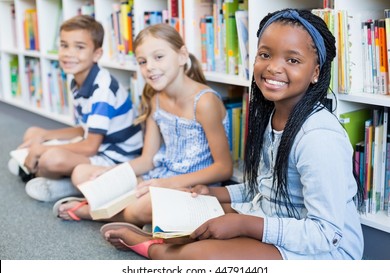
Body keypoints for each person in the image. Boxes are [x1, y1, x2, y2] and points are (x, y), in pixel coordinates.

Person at [100, 9, 365, 260]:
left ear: (316, 72)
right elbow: (265, 189)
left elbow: (326, 234)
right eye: (265, 55)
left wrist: (243, 224)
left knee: (201, 257)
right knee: (196, 221)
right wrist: (214, 194)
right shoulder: (274, 115)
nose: (273, 67)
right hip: (273, 217)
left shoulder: (319, 138)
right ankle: (165, 242)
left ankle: (154, 249)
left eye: (292, 60)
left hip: (324, 251)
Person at [54, 24, 233, 225]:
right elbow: (147, 159)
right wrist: (114, 173)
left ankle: (88, 211)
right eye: (142, 61)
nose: (149, 67)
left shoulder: (205, 102)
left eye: (159, 57)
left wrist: (166, 184)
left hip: (192, 186)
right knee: (82, 173)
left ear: (182, 56)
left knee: (143, 205)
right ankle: (125, 210)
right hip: (158, 175)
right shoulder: (155, 100)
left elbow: (224, 168)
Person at [8, 15, 143, 202]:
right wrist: (43, 137)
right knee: (33, 132)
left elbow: (90, 146)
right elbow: (84, 128)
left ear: (97, 54)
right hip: (95, 143)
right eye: (64, 45)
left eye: (79, 47)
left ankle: (66, 186)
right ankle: (43, 173)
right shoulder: (77, 80)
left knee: (50, 159)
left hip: (114, 157)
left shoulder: (103, 89)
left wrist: (41, 150)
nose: (69, 53)